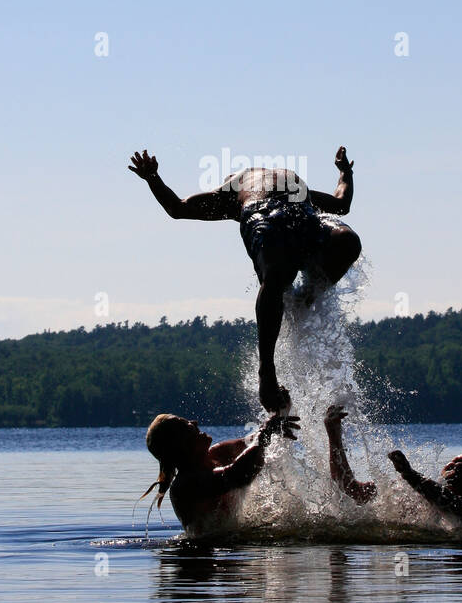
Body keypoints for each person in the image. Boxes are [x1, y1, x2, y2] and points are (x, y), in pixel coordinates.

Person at [129, 147, 362, 412]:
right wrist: (153, 178)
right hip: (261, 215)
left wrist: (345, 171)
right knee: (277, 274)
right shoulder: (228, 194)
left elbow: (341, 204)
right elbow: (177, 208)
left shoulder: (296, 189)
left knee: (347, 241)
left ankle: (306, 298)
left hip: (304, 215)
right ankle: (267, 371)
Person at [324, 405, 462, 535]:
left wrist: (409, 474)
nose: (454, 469)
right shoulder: (407, 493)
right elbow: (351, 489)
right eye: (451, 465)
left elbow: (451, 503)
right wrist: (334, 435)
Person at [141, 410, 300, 540]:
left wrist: (278, 412)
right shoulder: (185, 485)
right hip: (207, 556)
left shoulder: (219, 453)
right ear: (180, 445)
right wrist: (265, 433)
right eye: (186, 425)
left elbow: (254, 441)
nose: (194, 422)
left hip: (231, 548)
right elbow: (238, 475)